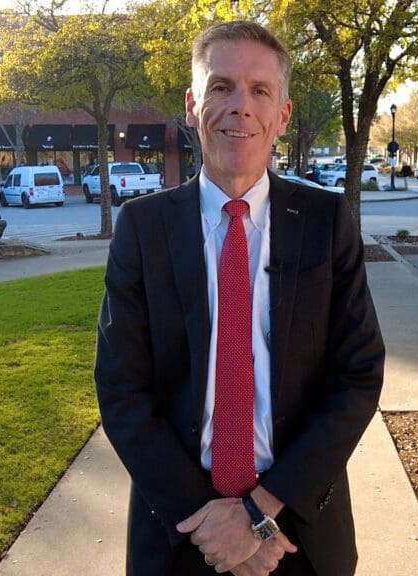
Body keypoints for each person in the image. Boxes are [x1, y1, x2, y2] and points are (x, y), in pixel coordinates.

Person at [95, 20, 385, 576]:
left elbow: (358, 373)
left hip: (299, 533)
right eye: (221, 87)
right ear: (191, 104)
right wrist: (212, 524)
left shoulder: (325, 223)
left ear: (283, 114)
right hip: (179, 532)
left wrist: (258, 515)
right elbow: (121, 388)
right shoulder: (142, 228)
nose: (240, 107)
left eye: (259, 91)